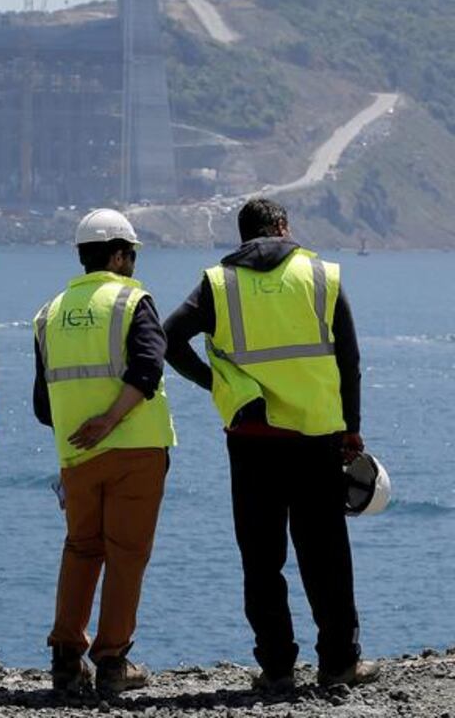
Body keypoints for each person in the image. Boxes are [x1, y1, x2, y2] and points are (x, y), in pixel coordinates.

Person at [164, 198, 379, 690]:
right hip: (317, 436)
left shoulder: (219, 284)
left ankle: (277, 667)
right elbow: (349, 358)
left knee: (262, 558)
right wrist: (352, 426)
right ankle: (339, 663)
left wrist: (219, 386)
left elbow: (169, 338)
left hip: (252, 440)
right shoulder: (321, 275)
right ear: (283, 227)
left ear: (243, 236)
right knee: (325, 554)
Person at [33, 208, 176, 697]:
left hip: (76, 456)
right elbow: (148, 368)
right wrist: (111, 420)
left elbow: (42, 403)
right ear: (117, 254)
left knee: (81, 549)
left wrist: (83, 428)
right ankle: (113, 661)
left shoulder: (48, 314)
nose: (133, 264)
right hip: (134, 449)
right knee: (126, 555)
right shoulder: (132, 300)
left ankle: (66, 658)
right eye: (131, 255)